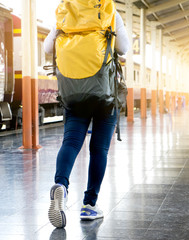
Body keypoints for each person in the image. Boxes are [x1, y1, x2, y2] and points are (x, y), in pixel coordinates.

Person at [45, 8, 130, 228]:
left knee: (71, 142)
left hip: (73, 92)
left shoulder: (66, 11)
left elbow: (47, 48)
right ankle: (89, 205)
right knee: (99, 149)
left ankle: (61, 186)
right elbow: (125, 48)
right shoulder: (110, 11)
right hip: (105, 93)